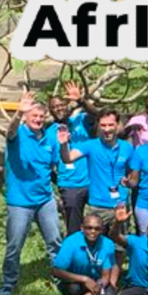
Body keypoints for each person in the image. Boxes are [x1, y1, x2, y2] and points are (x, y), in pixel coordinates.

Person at [0, 91, 62, 295]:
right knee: (14, 245)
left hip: (45, 199)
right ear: (27, 117)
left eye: (41, 117)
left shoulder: (49, 138)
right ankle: (8, 284)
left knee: (55, 241)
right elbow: (9, 131)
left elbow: (54, 165)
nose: (37, 120)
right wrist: (18, 113)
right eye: (33, 116)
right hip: (20, 202)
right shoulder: (17, 135)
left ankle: (60, 278)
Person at [60, 109, 135, 230]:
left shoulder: (127, 147)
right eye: (103, 125)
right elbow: (68, 158)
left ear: (117, 125)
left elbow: (133, 176)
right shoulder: (90, 145)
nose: (107, 129)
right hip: (97, 205)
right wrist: (63, 144)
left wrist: (129, 182)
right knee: (94, 245)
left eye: (110, 125)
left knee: (119, 246)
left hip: (120, 205)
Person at [51, 214, 118, 295]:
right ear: (82, 228)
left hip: (96, 283)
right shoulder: (71, 242)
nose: (93, 231)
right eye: (89, 228)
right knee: (73, 289)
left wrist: (94, 292)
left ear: (102, 230)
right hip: (73, 281)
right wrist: (84, 279)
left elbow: (106, 276)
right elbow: (56, 271)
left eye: (97, 229)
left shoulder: (107, 244)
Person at [46, 81, 94, 235]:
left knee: (99, 223)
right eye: (54, 107)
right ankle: (75, 256)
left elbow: (96, 115)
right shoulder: (49, 133)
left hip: (93, 181)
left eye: (61, 104)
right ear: (51, 111)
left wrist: (81, 100)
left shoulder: (81, 121)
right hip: (70, 185)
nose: (59, 108)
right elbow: (47, 163)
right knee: (73, 227)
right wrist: (59, 181)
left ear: (67, 104)